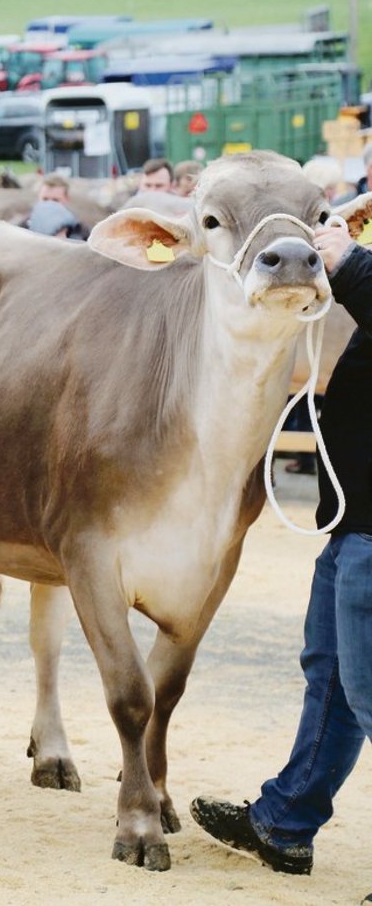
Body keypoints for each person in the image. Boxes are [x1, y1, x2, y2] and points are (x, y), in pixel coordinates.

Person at [188, 219, 372, 896]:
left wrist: (350, 262)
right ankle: (285, 821)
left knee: (366, 691)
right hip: (356, 526)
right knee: (331, 676)